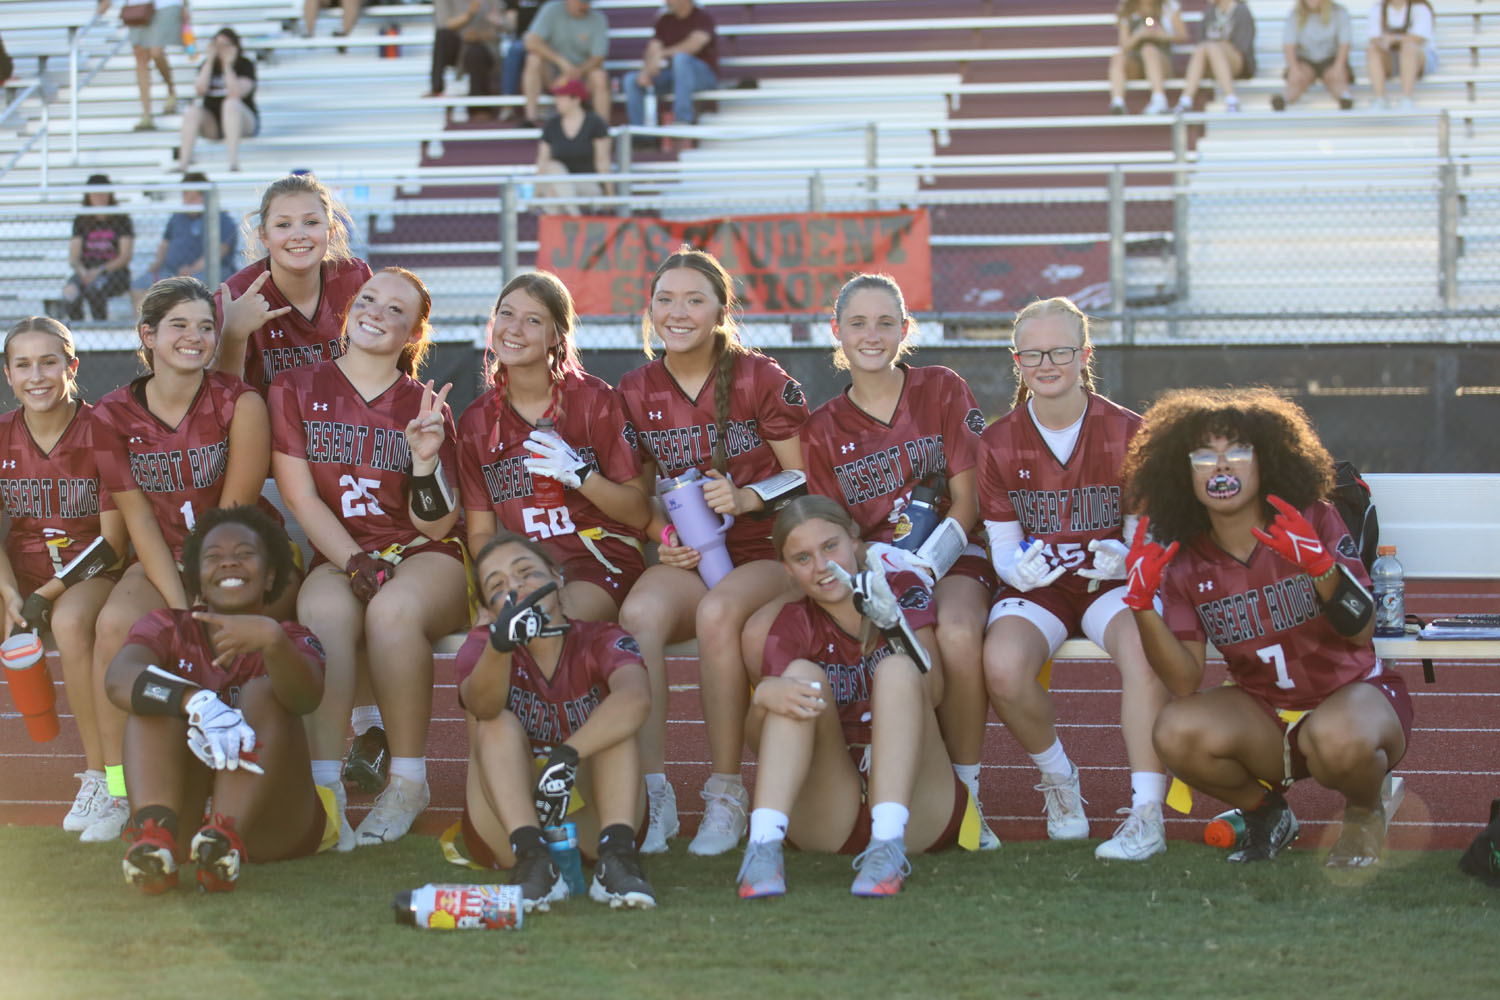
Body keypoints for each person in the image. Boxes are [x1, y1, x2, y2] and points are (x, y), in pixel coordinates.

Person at [1119, 387, 1411, 867]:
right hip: (1266, 713)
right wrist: (1141, 605)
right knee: (1174, 730)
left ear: (1266, 460)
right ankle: (1266, 813)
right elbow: (1185, 681)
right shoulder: (1185, 557)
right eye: (1204, 455)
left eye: (1237, 451)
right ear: (1182, 469)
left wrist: (1320, 567)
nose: (1222, 466)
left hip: (1352, 694)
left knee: (1338, 739)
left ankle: (1364, 813)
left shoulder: (1309, 517)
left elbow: (1361, 633)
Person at [786, 273, 998, 850]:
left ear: (906, 330)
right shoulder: (823, 428)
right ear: (837, 331)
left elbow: (968, 498)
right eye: (858, 323)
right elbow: (838, 529)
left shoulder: (941, 388)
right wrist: (871, 574)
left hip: (953, 558)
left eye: (886, 323)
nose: (871, 335)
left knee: (954, 633)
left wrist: (927, 564)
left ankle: (967, 791)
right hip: (874, 573)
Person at [616, 247, 808, 856]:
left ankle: (726, 791)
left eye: (694, 299)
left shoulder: (760, 377)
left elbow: (808, 479)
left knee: (718, 614)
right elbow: (635, 497)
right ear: (649, 309)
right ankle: (653, 793)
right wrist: (664, 539)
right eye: (665, 299)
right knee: (638, 618)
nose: (678, 311)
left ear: (720, 311)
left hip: (767, 552)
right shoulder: (635, 387)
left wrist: (748, 497)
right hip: (695, 556)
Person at [269, 267, 470, 848]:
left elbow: (437, 522)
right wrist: (355, 560)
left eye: (396, 311)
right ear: (350, 308)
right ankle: (324, 789)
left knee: (392, 612)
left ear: (414, 334)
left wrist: (426, 460)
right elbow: (300, 497)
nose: (377, 313)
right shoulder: (296, 387)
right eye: (369, 300)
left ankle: (408, 779)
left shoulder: (424, 405)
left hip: (422, 553)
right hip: (341, 552)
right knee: (324, 617)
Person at [976, 297, 1171, 861]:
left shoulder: (1130, 431)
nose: (1047, 363)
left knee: (1143, 654)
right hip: (1041, 586)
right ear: (1017, 361)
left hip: (1106, 582)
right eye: (1032, 353)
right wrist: (1016, 570)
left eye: (1060, 350)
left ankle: (1146, 811)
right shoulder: (998, 441)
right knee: (1003, 669)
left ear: (1084, 353)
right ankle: (1059, 778)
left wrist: (1127, 558)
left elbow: (1146, 534)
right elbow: (1005, 544)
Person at [90, 277, 274, 845]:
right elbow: (138, 519)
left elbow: (236, 510)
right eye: (179, 325)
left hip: (239, 551)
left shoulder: (239, 401)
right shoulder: (111, 414)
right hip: (162, 553)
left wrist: (204, 593)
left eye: (205, 326)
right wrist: (178, 607)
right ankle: (119, 790)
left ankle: (255, 771)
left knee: (245, 629)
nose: (195, 337)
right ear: (146, 335)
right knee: (113, 626)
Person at [736, 496, 973, 899]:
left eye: (830, 547)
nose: (823, 566)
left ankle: (887, 846)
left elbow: (932, 692)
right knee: (799, 678)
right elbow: (761, 742)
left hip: (914, 805)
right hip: (830, 809)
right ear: (789, 570)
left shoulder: (901, 587)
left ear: (854, 540)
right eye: (803, 558)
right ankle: (763, 847)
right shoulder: (793, 622)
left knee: (898, 668)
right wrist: (765, 699)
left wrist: (894, 627)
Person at [104, 504, 333, 893]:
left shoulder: (291, 636)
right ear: (196, 576)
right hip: (187, 809)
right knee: (152, 690)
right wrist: (194, 701)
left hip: (274, 824)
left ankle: (222, 841)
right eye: (213, 557)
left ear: (271, 574)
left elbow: (306, 698)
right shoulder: (167, 626)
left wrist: (272, 642)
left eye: (244, 554)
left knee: (265, 692)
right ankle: (155, 838)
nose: (229, 563)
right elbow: (118, 680)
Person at [453, 533, 657, 909]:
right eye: (497, 586)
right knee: (495, 723)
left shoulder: (602, 636)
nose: (515, 586)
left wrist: (566, 755)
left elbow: (636, 698)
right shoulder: (484, 645)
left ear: (558, 577)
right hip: (508, 816)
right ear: (489, 610)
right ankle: (533, 862)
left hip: (591, 811)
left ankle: (617, 859)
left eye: (526, 572)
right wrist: (501, 647)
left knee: (614, 715)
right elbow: (480, 706)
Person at [456, 271, 649, 625]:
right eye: (506, 314)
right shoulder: (475, 423)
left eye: (533, 320)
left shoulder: (595, 401)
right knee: (489, 636)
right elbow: (481, 532)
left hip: (596, 558)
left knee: (544, 618)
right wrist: (502, 576)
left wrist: (580, 474)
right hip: (522, 566)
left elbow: (638, 513)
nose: (513, 328)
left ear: (556, 335)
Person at [0, 317, 127, 840]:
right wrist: (9, 593)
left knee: (74, 622)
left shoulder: (101, 430)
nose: (37, 375)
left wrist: (44, 597)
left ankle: (105, 778)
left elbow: (113, 546)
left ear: (72, 366)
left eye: (49, 361)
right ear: (8, 375)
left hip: (90, 569)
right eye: (23, 364)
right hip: (23, 571)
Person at [213, 172, 372, 395]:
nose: (298, 234)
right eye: (283, 224)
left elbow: (389, 364)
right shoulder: (236, 295)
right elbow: (216, 397)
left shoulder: (355, 278)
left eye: (311, 222)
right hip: (266, 426)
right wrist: (233, 334)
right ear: (263, 236)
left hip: (347, 424)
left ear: (331, 231)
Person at [130, 172, 238, 312]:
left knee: (191, 289)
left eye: (193, 197)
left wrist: (192, 270)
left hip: (206, 273)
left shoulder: (221, 218)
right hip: (171, 272)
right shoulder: (177, 217)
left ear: (204, 196)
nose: (187, 200)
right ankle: (150, 329)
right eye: (185, 195)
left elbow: (219, 251)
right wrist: (157, 263)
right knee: (138, 285)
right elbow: (165, 243)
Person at [624, 0, 718, 130]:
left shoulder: (703, 17)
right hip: (676, 77)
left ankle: (682, 120)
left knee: (681, 59)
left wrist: (662, 54)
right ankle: (640, 137)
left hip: (703, 77)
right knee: (631, 80)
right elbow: (653, 48)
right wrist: (647, 70)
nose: (666, 1)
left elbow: (693, 46)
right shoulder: (664, 20)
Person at [175, 28, 258, 174]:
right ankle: (183, 165)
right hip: (214, 124)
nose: (221, 49)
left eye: (225, 45)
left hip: (243, 121)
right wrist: (209, 61)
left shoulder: (245, 64)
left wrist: (227, 66)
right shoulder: (207, 65)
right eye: (217, 45)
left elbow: (236, 93)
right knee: (192, 111)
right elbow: (200, 90)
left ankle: (233, 163)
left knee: (230, 104)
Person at [97, 0, 182, 132]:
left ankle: (171, 91)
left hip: (166, 4)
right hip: (137, 6)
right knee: (140, 56)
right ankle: (146, 114)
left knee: (156, 51)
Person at [58, 174, 133, 323]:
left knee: (95, 289)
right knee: (70, 292)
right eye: (95, 193)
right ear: (88, 195)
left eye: (103, 192)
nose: (99, 197)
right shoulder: (82, 219)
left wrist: (99, 271)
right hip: (86, 271)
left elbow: (125, 256)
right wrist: (83, 271)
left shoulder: (121, 218)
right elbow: (74, 256)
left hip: (113, 272)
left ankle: (100, 325)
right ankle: (76, 328)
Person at [522, 0, 610, 126]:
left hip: (582, 75)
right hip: (553, 73)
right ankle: (530, 118)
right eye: (582, 2)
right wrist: (561, 62)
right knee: (533, 60)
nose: (586, 5)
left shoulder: (598, 18)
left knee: (599, 76)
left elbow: (599, 57)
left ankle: (602, 128)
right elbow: (530, 42)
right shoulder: (551, 9)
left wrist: (575, 72)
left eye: (588, 2)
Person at [536, 78, 612, 215]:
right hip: (559, 183)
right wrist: (536, 194)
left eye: (561, 97)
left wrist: (609, 194)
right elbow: (542, 161)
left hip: (586, 184)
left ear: (576, 100)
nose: (557, 100)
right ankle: (574, 215)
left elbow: (602, 161)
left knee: (554, 192)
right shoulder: (551, 125)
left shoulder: (595, 123)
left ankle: (561, 228)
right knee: (553, 168)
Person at [426, 0, 505, 120]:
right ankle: (436, 87)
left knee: (475, 52)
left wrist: (480, 35)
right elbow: (445, 24)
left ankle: (480, 108)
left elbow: (505, 26)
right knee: (442, 35)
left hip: (484, 47)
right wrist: (469, 14)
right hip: (459, 45)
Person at [1174, 0, 1257, 113]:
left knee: (1213, 47)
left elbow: (1244, 46)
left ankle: (1231, 98)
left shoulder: (1241, 11)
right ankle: (1185, 101)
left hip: (1236, 62)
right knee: (1203, 48)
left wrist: (1222, 45)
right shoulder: (1210, 11)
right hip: (1211, 61)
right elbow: (1201, 40)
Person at [1108, 0, 1189, 114]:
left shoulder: (1168, 6)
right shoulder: (1126, 8)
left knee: (1148, 50)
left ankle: (1159, 100)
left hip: (1162, 60)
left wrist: (1162, 36)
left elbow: (1183, 35)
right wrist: (1139, 35)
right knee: (1118, 57)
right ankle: (1117, 103)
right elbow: (1124, 45)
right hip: (1136, 61)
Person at [1273, 0, 1355, 110]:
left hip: (1331, 59)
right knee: (1300, 78)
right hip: (1305, 59)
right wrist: (1294, 68)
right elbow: (1288, 45)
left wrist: (1339, 66)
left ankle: (1345, 98)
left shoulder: (1339, 13)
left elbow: (1344, 43)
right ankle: (1283, 99)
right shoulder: (1295, 15)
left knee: (1334, 78)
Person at [1365, 0, 1437, 109]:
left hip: (1420, 59)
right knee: (1373, 50)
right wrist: (1384, 43)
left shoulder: (1420, 8)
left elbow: (1418, 39)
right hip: (1392, 59)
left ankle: (1407, 98)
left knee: (1408, 48)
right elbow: (1374, 38)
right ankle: (1379, 98)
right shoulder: (1378, 9)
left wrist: (1395, 39)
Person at [501, 1, 544, 100]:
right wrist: (502, 22)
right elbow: (510, 26)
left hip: (544, 40)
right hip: (521, 40)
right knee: (513, 50)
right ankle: (507, 101)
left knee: (534, 59)